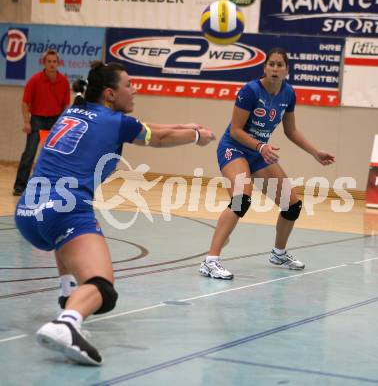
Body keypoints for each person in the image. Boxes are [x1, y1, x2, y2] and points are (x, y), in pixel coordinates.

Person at [14, 61, 215, 365]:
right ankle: (66, 323)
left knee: (65, 241)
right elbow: (155, 137)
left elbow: (145, 129)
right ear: (110, 93)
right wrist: (197, 137)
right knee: (103, 288)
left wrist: (186, 127)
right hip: (65, 209)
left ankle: (68, 296)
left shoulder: (74, 111)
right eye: (129, 85)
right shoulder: (116, 122)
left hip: (28, 211)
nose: (135, 90)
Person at [199, 48, 335, 280]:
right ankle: (210, 261)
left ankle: (278, 253)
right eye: (270, 64)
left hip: (258, 151)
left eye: (279, 65)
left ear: (286, 70)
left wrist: (315, 152)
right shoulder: (250, 91)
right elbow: (236, 130)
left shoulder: (288, 93)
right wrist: (261, 146)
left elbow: (291, 131)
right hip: (234, 147)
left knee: (291, 205)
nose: (274, 69)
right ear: (264, 68)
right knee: (242, 199)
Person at [13, 49, 70, 196]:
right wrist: (27, 122)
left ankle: (52, 186)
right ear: (44, 63)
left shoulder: (63, 81)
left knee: (55, 155)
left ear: (58, 63)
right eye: (49, 61)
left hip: (55, 121)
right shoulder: (34, 80)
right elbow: (25, 103)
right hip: (37, 119)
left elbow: (65, 105)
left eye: (54, 61)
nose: (52, 64)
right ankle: (20, 186)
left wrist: (62, 123)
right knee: (29, 153)